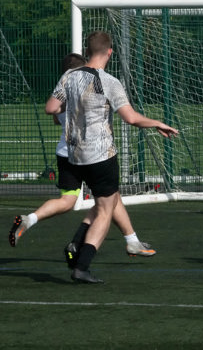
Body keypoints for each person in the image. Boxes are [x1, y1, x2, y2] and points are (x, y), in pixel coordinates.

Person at [45, 31, 179, 283]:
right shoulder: (109, 82)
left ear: (87, 51)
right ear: (109, 52)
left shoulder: (69, 76)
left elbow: (51, 108)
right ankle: (81, 265)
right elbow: (131, 118)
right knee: (105, 210)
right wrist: (157, 122)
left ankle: (116, 242)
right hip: (101, 155)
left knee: (107, 200)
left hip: (74, 156)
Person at [9, 53, 156, 258]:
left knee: (71, 200)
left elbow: (55, 117)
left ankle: (31, 218)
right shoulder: (91, 90)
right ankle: (112, 244)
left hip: (64, 152)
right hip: (92, 154)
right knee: (107, 200)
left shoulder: (62, 94)